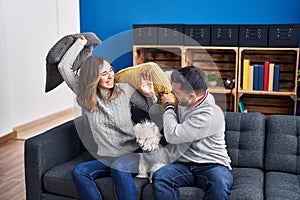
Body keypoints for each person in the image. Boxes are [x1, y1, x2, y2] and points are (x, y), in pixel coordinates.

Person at [58, 35, 156, 200]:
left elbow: (153, 111)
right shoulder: (87, 95)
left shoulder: (125, 89)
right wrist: (80, 44)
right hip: (107, 158)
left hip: (133, 154)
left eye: (111, 70)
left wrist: (150, 95)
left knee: (119, 166)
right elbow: (64, 67)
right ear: (93, 78)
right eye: (104, 74)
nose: (111, 76)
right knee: (80, 172)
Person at [154, 66, 233, 200]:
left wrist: (169, 107)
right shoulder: (186, 94)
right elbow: (161, 73)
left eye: (176, 92)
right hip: (184, 164)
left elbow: (172, 135)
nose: (172, 94)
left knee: (219, 184)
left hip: (212, 165)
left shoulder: (210, 114)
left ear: (192, 96)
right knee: (161, 177)